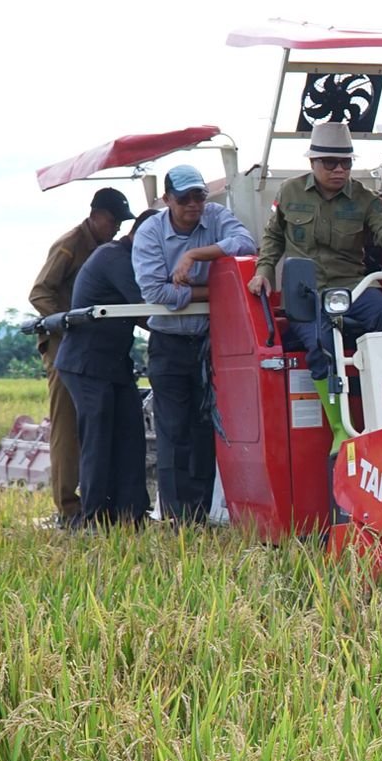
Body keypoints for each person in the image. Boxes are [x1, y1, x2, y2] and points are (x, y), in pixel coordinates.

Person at [247, 122, 382, 450]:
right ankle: (340, 430)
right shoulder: (289, 192)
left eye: (346, 163)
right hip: (306, 290)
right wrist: (263, 270)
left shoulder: (365, 198)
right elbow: (274, 237)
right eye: (330, 163)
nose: (339, 169)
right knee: (321, 344)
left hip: (354, 287)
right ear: (313, 163)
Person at [134, 165, 256, 524]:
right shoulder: (150, 233)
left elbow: (246, 243)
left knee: (206, 427)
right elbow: (156, 291)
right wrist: (218, 290)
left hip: (209, 341)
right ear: (167, 200)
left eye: (199, 196)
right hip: (168, 342)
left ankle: (200, 512)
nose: (193, 204)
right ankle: (176, 515)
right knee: (173, 428)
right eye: (184, 198)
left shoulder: (216, 216)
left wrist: (196, 256)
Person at [28, 187, 137, 525]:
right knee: (66, 426)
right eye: (112, 220)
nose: (117, 226)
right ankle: (67, 506)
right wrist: (70, 324)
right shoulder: (71, 244)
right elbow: (40, 291)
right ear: (94, 215)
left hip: (96, 349)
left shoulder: (108, 250)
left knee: (95, 426)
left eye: (121, 222)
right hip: (65, 344)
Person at [56, 209, 159, 528]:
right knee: (99, 438)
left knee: (130, 434)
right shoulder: (113, 256)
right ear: (142, 237)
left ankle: (131, 513)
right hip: (87, 363)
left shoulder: (129, 257)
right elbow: (146, 307)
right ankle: (93, 516)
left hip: (114, 363)